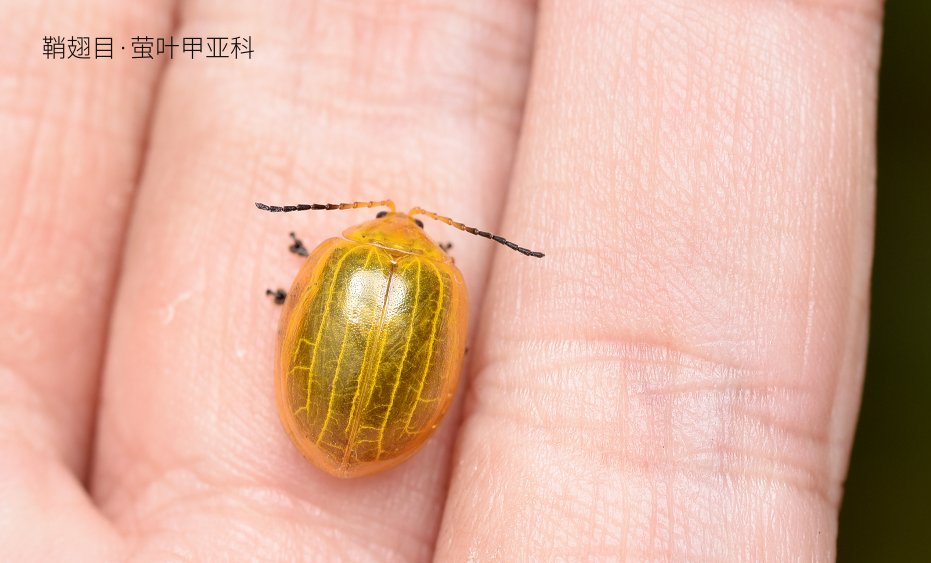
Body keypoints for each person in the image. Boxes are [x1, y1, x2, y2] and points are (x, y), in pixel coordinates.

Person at [0, 1, 882, 559]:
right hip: (371, 419)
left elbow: (329, 316)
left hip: (348, 408)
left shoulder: (342, 259)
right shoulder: (435, 288)